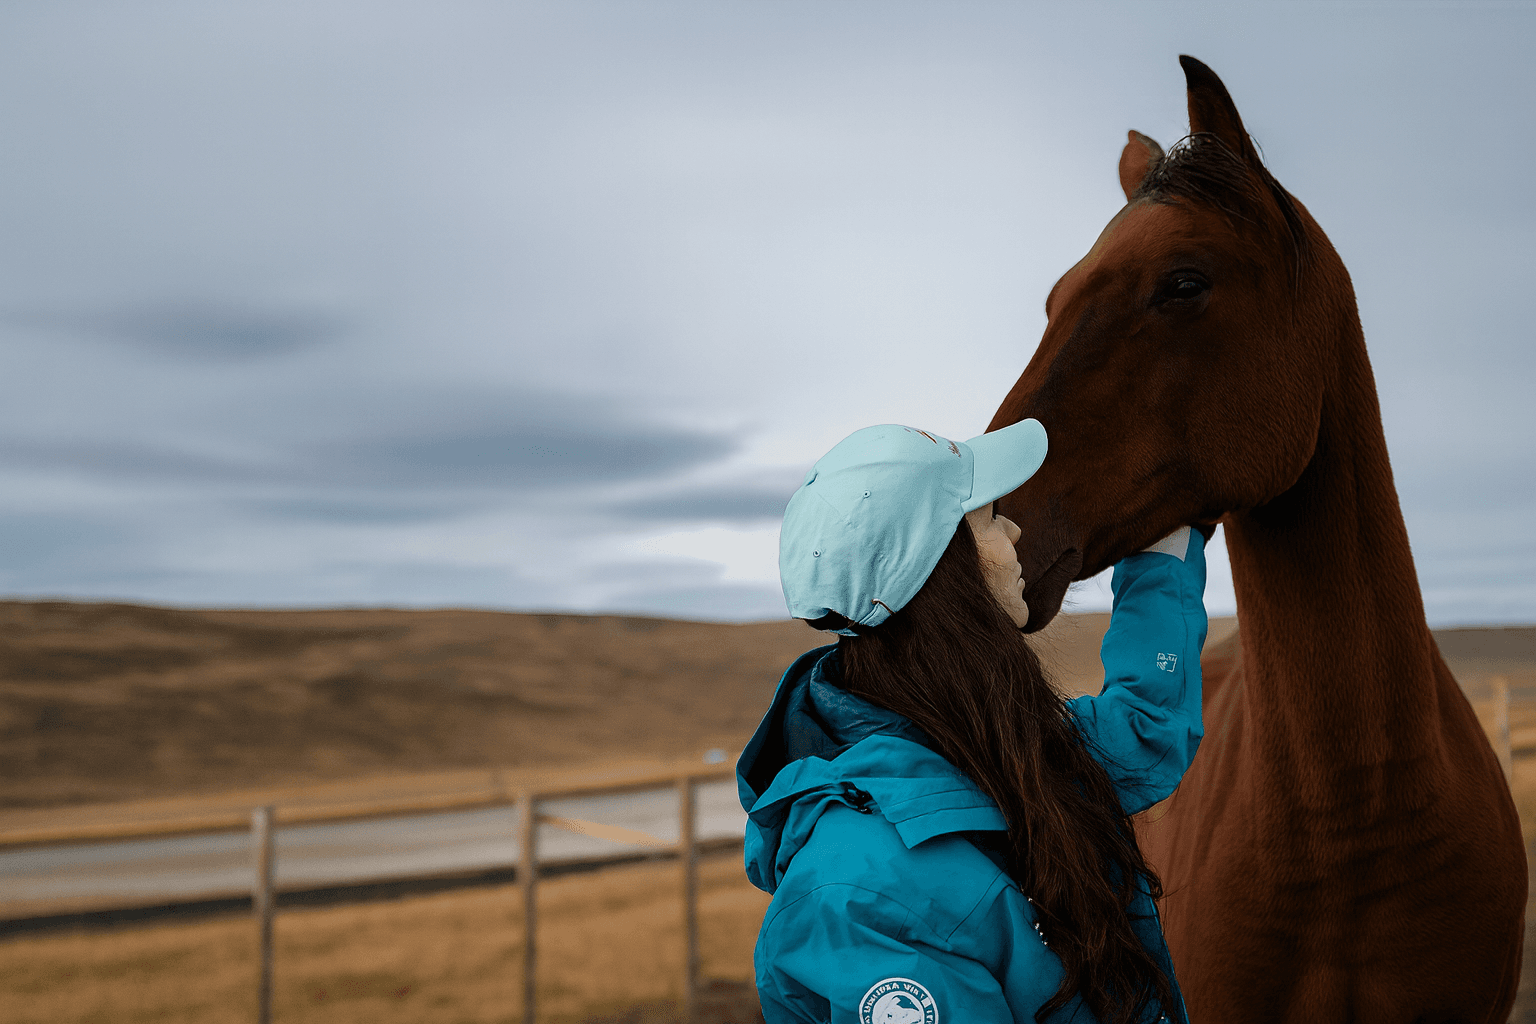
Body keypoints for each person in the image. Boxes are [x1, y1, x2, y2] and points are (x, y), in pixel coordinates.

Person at [737, 420, 1208, 1024]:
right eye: (987, 518)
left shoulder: (1002, 750)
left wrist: (1166, 543)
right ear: (942, 573)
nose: (1013, 530)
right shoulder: (855, 897)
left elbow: (1143, 726)